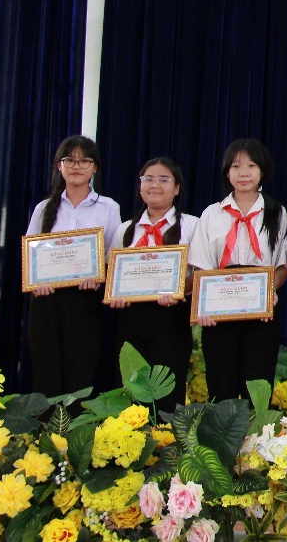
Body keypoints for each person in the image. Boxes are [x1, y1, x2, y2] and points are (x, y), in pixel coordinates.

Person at [190, 139, 287, 403]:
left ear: (262, 171)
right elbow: (201, 265)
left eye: (251, 165)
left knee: (258, 384)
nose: (243, 172)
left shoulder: (277, 213)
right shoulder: (211, 214)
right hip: (219, 311)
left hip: (262, 310)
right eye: (236, 166)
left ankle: (257, 432)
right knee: (220, 384)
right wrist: (205, 306)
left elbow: (283, 265)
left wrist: (268, 291)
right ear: (227, 172)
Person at [25, 135, 122, 397]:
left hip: (85, 301)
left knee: (80, 377)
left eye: (84, 161)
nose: (76, 166)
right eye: (70, 160)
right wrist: (36, 283)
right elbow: (30, 256)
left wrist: (98, 276)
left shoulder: (108, 207)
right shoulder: (44, 208)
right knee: (46, 376)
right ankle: (47, 427)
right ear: (59, 166)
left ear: (95, 167)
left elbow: (113, 256)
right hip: (46, 302)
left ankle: (75, 426)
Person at [109, 157, 198, 412]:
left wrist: (179, 290)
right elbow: (112, 273)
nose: (154, 184)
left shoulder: (193, 225)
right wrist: (115, 294)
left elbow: (201, 273)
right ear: (140, 186)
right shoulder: (125, 229)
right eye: (148, 179)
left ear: (177, 188)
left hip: (172, 318)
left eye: (163, 179)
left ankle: (166, 438)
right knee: (130, 391)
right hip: (130, 319)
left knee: (168, 393)